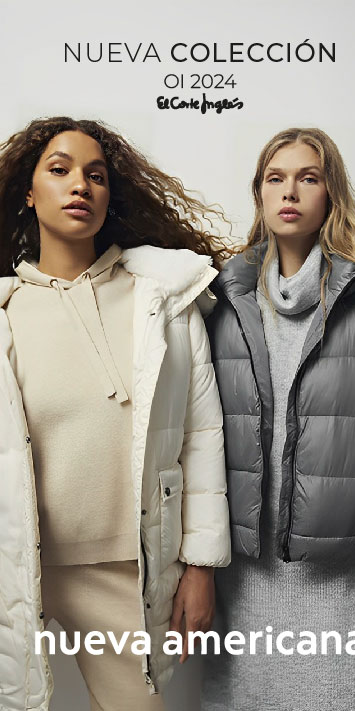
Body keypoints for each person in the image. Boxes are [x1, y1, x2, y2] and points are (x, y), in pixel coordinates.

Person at [0, 116, 231, 711]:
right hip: (14, 566)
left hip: (127, 569)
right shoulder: (5, 312)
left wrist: (201, 566)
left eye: (96, 176)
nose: (80, 184)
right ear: (29, 194)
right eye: (60, 170)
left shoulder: (162, 300)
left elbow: (202, 436)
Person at [201, 127, 355, 711]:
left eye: (308, 178)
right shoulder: (226, 292)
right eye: (276, 178)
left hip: (339, 563)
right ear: (260, 194)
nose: (290, 192)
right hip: (246, 563)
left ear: (330, 192)